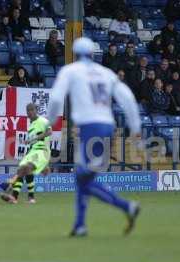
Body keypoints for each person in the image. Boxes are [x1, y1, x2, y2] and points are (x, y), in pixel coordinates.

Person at [45, 37, 141, 237]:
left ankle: (126, 206)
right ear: (93, 53)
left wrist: (49, 121)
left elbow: (55, 98)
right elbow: (128, 99)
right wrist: (135, 127)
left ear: (74, 53)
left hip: (88, 127)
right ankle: (80, 225)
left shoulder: (70, 71)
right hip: (108, 126)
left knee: (83, 177)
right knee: (83, 177)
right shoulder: (107, 73)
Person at [1, 103, 52, 204]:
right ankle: (14, 197)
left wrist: (35, 138)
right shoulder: (30, 127)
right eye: (28, 110)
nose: (29, 112)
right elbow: (32, 144)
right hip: (33, 151)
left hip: (42, 151)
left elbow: (49, 132)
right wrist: (27, 154)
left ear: (36, 110)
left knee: (27, 167)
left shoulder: (43, 121)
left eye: (31, 110)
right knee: (22, 169)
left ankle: (29, 196)